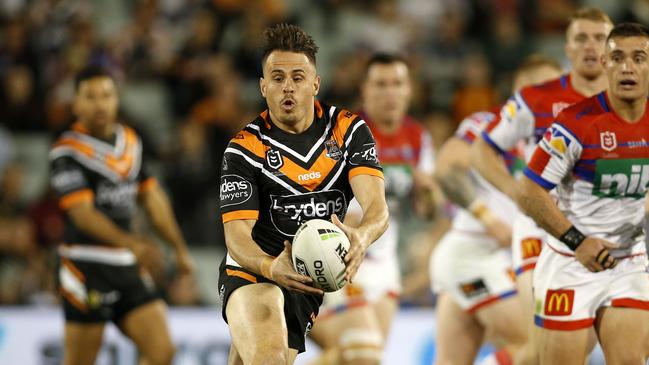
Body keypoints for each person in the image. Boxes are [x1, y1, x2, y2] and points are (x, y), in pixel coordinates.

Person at [217, 23, 389, 365]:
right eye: (277, 78)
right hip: (255, 267)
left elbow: (376, 208)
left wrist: (361, 237)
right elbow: (236, 236)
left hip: (307, 276)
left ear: (315, 84)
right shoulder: (244, 149)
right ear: (263, 87)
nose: (287, 88)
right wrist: (269, 265)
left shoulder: (348, 131)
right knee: (270, 358)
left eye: (297, 77)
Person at [470, 7, 613, 361]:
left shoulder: (629, 103)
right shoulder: (537, 98)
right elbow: (481, 151)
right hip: (541, 233)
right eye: (582, 38)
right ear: (567, 48)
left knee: (569, 352)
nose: (591, 46)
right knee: (548, 345)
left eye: (600, 38)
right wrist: (516, 192)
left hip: (602, 236)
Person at [518, 22, 649, 364]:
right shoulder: (575, 124)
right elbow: (530, 190)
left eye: (639, 58)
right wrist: (579, 241)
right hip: (569, 263)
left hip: (630, 262)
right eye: (618, 57)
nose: (627, 67)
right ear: (604, 63)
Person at [50, 66, 194, 365]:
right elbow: (83, 215)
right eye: (90, 96)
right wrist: (133, 244)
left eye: (106, 95)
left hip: (127, 266)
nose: (100, 103)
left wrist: (179, 249)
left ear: (117, 99)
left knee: (161, 351)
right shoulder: (66, 153)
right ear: (76, 104)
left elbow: (153, 199)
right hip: (85, 266)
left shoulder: (131, 142)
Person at [431, 55, 562, 365]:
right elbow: (447, 168)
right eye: (542, 89)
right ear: (519, 93)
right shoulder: (488, 124)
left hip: (500, 260)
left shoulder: (562, 140)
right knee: (539, 347)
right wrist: (489, 219)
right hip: (475, 254)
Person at [309, 53, 436, 364]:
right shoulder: (341, 133)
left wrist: (429, 191)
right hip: (341, 256)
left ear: (409, 90)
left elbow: (426, 211)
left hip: (384, 264)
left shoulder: (417, 138)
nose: (390, 92)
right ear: (364, 90)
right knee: (365, 355)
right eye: (380, 84)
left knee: (349, 357)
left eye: (397, 84)